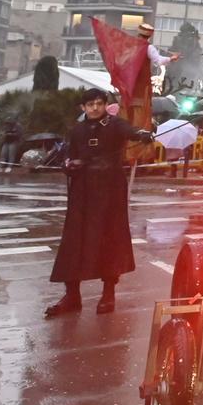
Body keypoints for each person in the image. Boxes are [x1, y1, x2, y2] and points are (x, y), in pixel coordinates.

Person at [47, 89, 156, 317]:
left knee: (109, 240)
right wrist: (68, 165)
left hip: (110, 192)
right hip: (82, 192)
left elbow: (131, 131)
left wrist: (143, 133)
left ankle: (108, 294)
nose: (95, 108)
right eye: (90, 104)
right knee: (74, 242)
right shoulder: (77, 130)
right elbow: (68, 155)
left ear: (106, 104)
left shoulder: (116, 125)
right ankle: (72, 296)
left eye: (99, 103)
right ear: (83, 107)